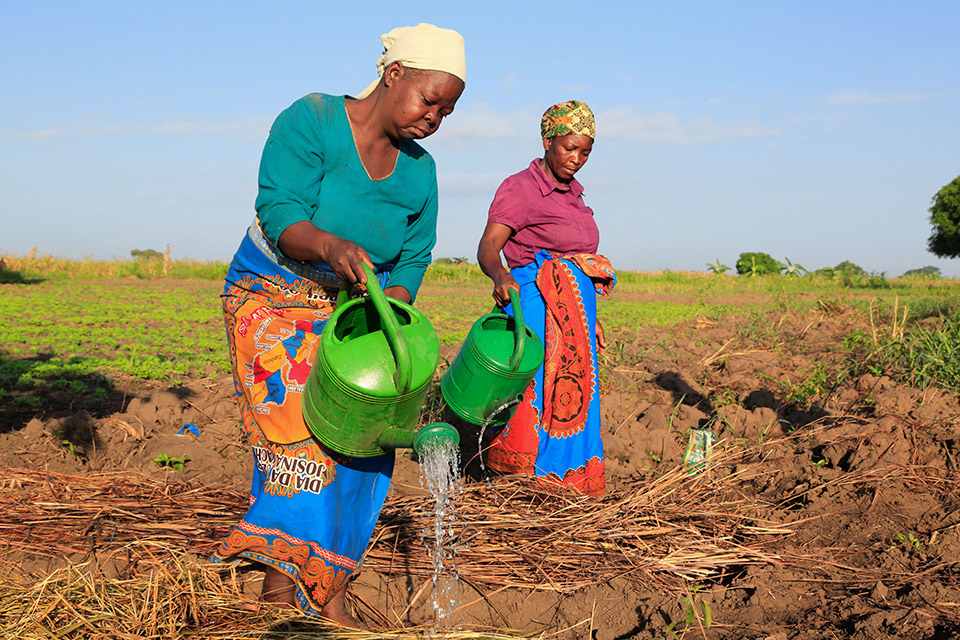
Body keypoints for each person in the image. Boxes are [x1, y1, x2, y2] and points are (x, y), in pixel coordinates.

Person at [210, 23, 465, 626]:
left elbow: (414, 254)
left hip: (355, 316)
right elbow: (280, 213)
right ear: (393, 73)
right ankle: (281, 590)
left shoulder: (419, 171)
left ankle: (330, 587)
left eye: (447, 112)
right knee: (301, 439)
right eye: (429, 99)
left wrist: (391, 312)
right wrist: (328, 247)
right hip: (274, 294)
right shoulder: (315, 120)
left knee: (365, 442)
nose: (434, 118)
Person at [476, 100, 616, 497]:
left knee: (575, 396)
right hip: (535, 303)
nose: (577, 158)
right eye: (569, 148)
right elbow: (488, 246)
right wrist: (500, 275)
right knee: (537, 394)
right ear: (547, 140)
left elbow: (577, 264)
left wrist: (589, 317)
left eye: (585, 151)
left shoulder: (575, 195)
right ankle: (521, 485)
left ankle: (570, 484)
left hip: (575, 318)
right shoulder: (521, 187)